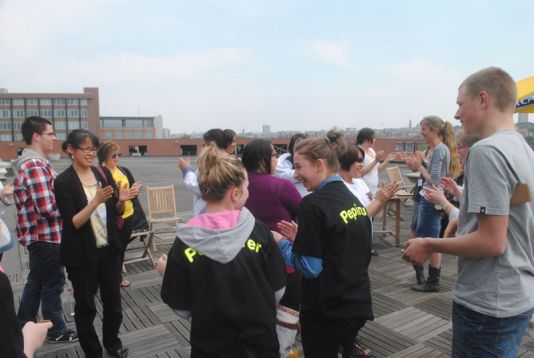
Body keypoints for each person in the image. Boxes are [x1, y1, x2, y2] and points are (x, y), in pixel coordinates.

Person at [403, 67, 534, 358]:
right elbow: (512, 217)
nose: (458, 114)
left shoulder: (486, 152)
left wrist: (428, 244)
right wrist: (460, 216)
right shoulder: (523, 150)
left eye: (461, 104)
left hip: (488, 301)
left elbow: (491, 242)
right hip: (518, 296)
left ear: (483, 99)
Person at [161, 144, 286, 358]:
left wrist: (167, 271)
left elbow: (181, 308)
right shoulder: (259, 231)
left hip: (211, 347)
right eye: (247, 188)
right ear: (235, 193)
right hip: (260, 344)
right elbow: (277, 291)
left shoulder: (184, 243)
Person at [274, 131, 373, 358]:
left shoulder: (312, 205)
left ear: (319, 164)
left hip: (326, 310)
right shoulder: (353, 200)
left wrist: (281, 244)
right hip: (356, 304)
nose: (296, 174)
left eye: (299, 167)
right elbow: (344, 247)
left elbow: (310, 268)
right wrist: (303, 240)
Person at [55, 130, 129, 358]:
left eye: (93, 149)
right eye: (85, 148)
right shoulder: (63, 181)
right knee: (86, 307)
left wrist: (122, 201)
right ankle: (93, 351)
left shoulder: (102, 172)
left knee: (114, 304)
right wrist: (95, 200)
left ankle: (112, 343)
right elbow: (73, 222)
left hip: (108, 250)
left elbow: (114, 209)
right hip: (81, 254)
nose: (90, 153)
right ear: (70, 149)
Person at [13, 116, 77, 343]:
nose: (54, 138)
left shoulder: (35, 163)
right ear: (36, 136)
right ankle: (55, 328)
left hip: (39, 236)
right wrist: (75, 207)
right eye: (50, 133)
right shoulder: (34, 165)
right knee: (53, 283)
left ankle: (23, 324)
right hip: (45, 237)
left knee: (37, 282)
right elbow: (47, 208)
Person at [242, 139, 301, 357]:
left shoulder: (237, 186)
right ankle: (282, 351)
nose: (276, 159)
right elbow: (303, 211)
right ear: (263, 160)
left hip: (247, 262)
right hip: (283, 262)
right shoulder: (279, 186)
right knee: (286, 313)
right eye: (274, 155)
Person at [404, 116, 460, 292]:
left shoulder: (439, 150)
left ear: (434, 131)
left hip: (431, 198)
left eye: (424, 129)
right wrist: (422, 162)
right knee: (414, 232)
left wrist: (420, 165)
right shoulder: (436, 149)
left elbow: (434, 180)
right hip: (425, 196)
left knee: (433, 240)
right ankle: (421, 273)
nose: (421, 133)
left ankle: (432, 280)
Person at [97, 142, 143, 288]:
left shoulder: (124, 170)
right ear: (104, 156)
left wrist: (135, 191)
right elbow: (102, 199)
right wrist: (121, 196)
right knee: (110, 248)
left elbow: (131, 193)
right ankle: (106, 277)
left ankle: (117, 277)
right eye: (114, 155)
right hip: (110, 218)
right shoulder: (100, 173)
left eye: (119, 154)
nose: (117, 158)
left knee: (122, 247)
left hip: (127, 214)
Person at [179, 128, 235, 215]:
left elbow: (199, 187)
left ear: (212, 145)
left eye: (204, 145)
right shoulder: (230, 162)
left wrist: (186, 169)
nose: (203, 148)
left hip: (210, 217)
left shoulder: (216, 164)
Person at [356, 128, 394, 194]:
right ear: (366, 139)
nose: (374, 140)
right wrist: (375, 161)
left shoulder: (371, 150)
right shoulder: (358, 151)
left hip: (373, 189)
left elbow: (377, 170)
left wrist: (387, 160)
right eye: (373, 138)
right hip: (363, 189)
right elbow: (360, 173)